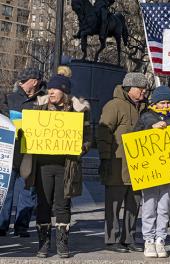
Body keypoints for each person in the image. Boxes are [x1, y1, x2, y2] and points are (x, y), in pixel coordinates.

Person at [25, 74, 91, 258]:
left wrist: (81, 148)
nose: (51, 91)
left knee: (63, 205)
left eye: (55, 89)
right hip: (43, 165)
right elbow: (29, 132)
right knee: (43, 204)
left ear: (65, 91)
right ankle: (43, 244)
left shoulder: (78, 112)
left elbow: (87, 138)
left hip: (66, 166)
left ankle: (62, 244)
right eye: (50, 89)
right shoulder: (39, 108)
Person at [97, 72, 148, 253]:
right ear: (129, 88)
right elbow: (103, 133)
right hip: (117, 165)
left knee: (134, 204)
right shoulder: (114, 106)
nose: (144, 92)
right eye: (141, 88)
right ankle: (112, 240)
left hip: (138, 167)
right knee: (114, 205)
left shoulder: (144, 108)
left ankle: (129, 239)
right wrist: (104, 158)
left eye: (145, 88)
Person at [133, 85, 170, 258]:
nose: (164, 106)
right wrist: (151, 129)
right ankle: (148, 239)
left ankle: (160, 239)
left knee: (164, 207)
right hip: (150, 172)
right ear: (154, 103)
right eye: (161, 102)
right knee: (149, 206)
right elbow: (134, 138)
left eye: (167, 102)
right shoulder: (146, 117)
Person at [0, 68, 43, 237]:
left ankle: (22, 226)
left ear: (34, 81)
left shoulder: (42, 101)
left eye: (24, 80)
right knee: (6, 191)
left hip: (31, 153)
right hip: (10, 152)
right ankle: (2, 225)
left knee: (28, 191)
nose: (20, 82)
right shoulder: (9, 99)